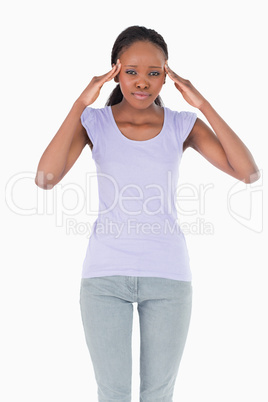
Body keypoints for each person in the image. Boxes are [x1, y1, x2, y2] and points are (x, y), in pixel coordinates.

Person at [35, 25, 260, 402]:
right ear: (115, 71)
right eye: (132, 72)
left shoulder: (182, 124)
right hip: (104, 279)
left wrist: (202, 103)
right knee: (113, 393)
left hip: (168, 277)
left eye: (154, 73)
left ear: (167, 75)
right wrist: (79, 105)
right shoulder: (94, 122)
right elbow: (45, 179)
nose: (143, 82)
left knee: (159, 394)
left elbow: (249, 173)